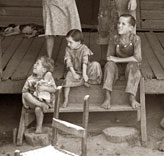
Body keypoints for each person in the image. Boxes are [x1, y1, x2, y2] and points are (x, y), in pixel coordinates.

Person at [101, 14, 142, 109]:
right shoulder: (114, 38)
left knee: (133, 66)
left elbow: (138, 58)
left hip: (130, 67)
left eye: (123, 24)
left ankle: (132, 97)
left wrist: (117, 59)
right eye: (119, 23)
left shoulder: (136, 39)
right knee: (109, 65)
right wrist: (114, 60)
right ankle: (107, 97)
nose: (119, 25)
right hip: (117, 67)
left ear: (130, 28)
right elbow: (109, 57)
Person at [62, 29, 102, 108]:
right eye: (67, 42)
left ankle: (86, 80)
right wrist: (74, 74)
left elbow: (85, 62)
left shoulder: (84, 48)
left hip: (84, 69)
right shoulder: (68, 49)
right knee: (68, 77)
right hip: (74, 70)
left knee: (95, 65)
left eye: (70, 42)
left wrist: (84, 74)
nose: (68, 44)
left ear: (79, 42)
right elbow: (69, 63)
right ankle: (66, 99)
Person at [22, 56, 56, 133]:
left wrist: (45, 88)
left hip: (45, 101)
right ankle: (40, 105)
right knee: (25, 94)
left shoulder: (49, 78)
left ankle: (39, 127)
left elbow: (54, 89)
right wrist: (23, 100)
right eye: (35, 63)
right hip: (34, 100)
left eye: (37, 64)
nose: (34, 65)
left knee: (38, 109)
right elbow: (24, 90)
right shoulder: (30, 78)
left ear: (44, 70)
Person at [97, 0, 137, 64]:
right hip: (106, 2)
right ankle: (104, 59)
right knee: (104, 27)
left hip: (124, 2)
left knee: (126, 24)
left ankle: (128, 60)